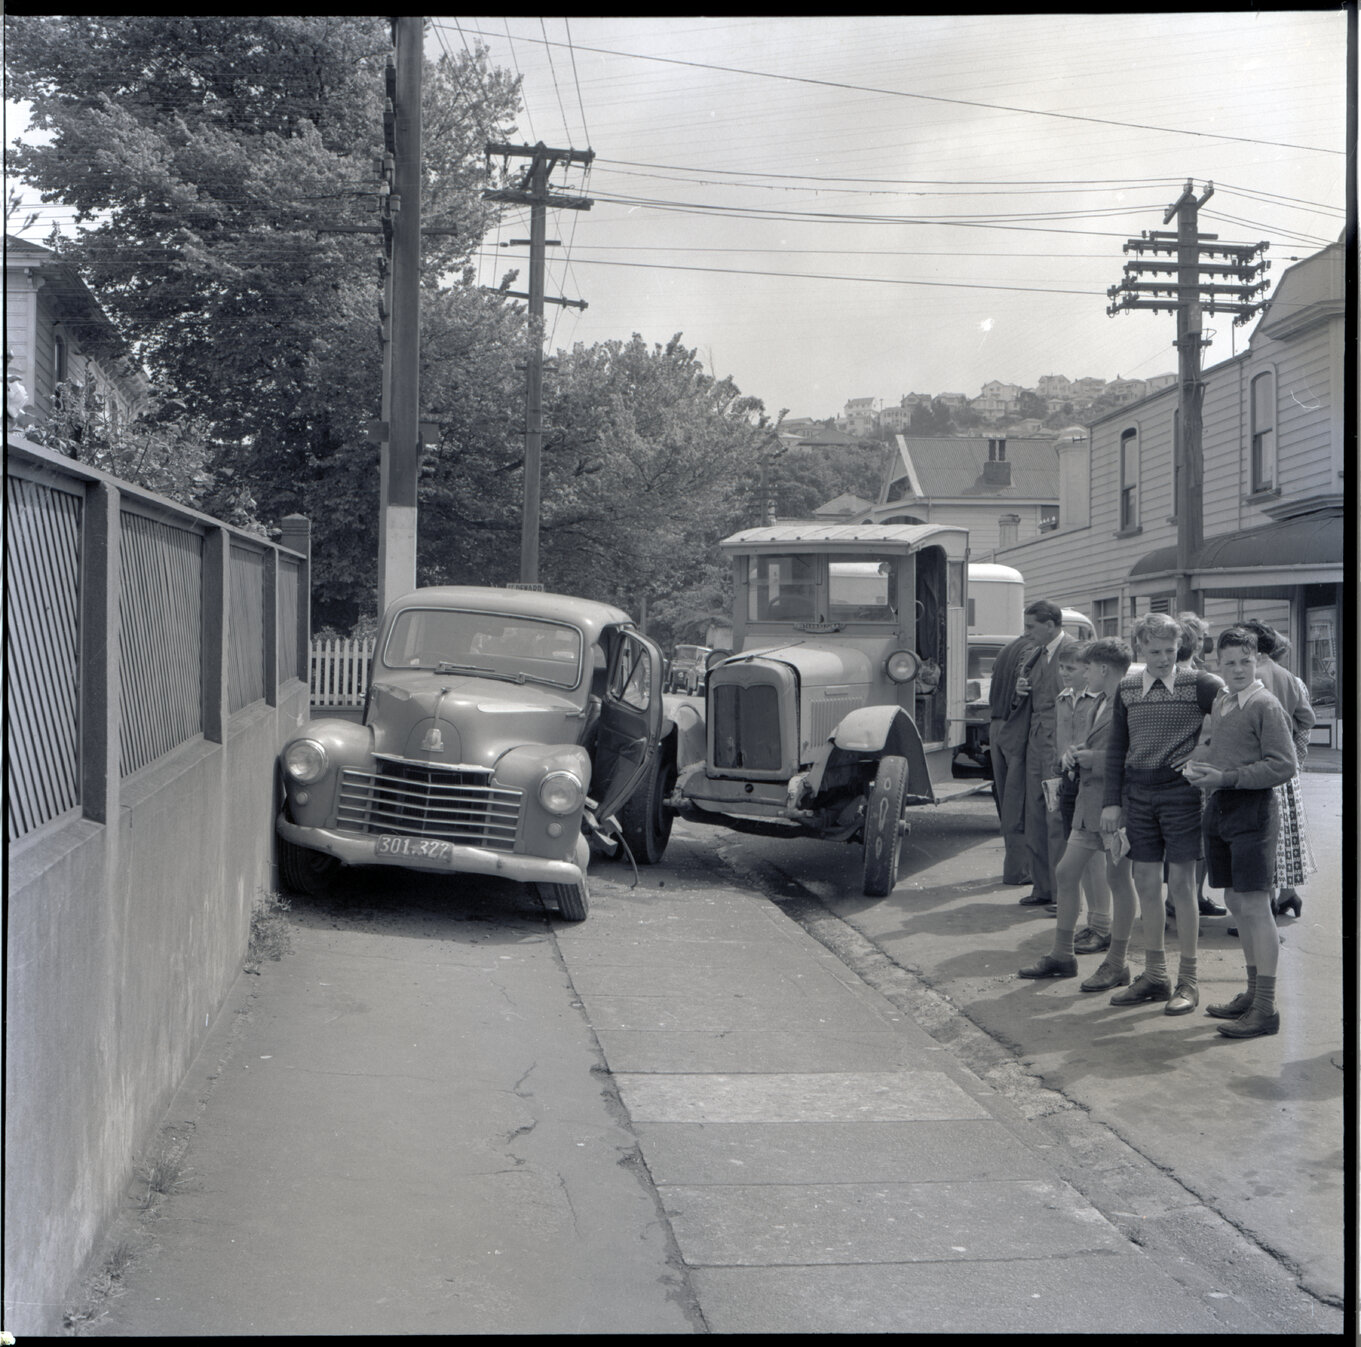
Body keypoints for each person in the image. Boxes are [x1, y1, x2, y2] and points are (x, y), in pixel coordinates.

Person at [1101, 612, 1223, 1015]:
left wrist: (1203, 752)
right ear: (1140, 649)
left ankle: (1188, 980)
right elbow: (1117, 748)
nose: (1163, 658)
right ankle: (1155, 975)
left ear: (1180, 648)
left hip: (1181, 795)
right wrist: (1112, 802)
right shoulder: (1128, 688)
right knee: (1146, 883)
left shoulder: (1200, 683)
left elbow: (1232, 721)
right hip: (1138, 793)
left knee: (1183, 887)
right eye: (1154, 651)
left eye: (1170, 650)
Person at [1182, 627, 1298, 1037]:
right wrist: (1199, 767)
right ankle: (1251, 994)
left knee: (1254, 904)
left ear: (1258, 661)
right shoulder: (1223, 700)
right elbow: (1215, 747)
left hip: (1252, 809)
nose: (1237, 670)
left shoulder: (1265, 704)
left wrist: (1228, 777)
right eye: (1228, 663)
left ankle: (1265, 1009)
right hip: (1220, 806)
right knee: (1234, 898)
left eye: (1244, 662)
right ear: (1217, 665)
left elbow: (1284, 765)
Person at [1019, 638, 1135, 983]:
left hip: (1116, 807)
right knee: (1067, 873)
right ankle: (1062, 955)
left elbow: (1136, 757)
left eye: (1086, 667)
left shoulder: (1128, 702)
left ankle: (1118, 961)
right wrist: (1078, 752)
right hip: (1089, 804)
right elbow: (1101, 742)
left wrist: (1093, 759)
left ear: (1103, 669)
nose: (1082, 673)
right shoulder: (1100, 701)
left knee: (1119, 880)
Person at [1242, 619, 1317, 917]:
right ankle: (1288, 896)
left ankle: (1268, 905)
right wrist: (1288, 732)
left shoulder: (1251, 676)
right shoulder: (1289, 677)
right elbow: (1308, 720)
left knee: (1263, 838)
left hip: (1259, 764)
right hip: (1285, 768)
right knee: (1285, 837)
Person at [1017, 601, 1076, 908]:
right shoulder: (1038, 653)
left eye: (1032, 627)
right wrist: (1021, 686)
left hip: (1059, 743)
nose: (1027, 633)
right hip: (1037, 740)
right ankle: (1042, 887)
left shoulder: (1073, 651)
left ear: (1051, 624)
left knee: (1056, 818)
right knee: (1036, 814)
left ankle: (1061, 893)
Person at [988, 629, 1035, 886]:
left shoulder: (1008, 647)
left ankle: (1015, 868)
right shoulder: (1031, 650)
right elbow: (1023, 678)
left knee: (1008, 800)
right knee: (1020, 802)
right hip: (1014, 727)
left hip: (997, 726)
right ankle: (1021, 871)